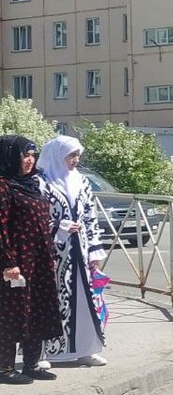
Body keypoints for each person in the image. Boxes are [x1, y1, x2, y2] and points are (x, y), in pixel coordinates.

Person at [38, 136, 108, 367]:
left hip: (80, 250)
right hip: (53, 253)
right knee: (53, 299)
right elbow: (35, 217)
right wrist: (59, 227)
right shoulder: (41, 182)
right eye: (71, 155)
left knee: (85, 299)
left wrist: (95, 251)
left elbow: (90, 216)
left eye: (77, 155)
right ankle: (46, 352)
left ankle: (86, 349)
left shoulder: (81, 181)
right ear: (57, 155)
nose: (75, 160)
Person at [0, 136, 61, 384]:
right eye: (24, 155)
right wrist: (8, 263)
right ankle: (4, 368)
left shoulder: (31, 184)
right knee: (11, 313)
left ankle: (31, 364)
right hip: (17, 261)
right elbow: (1, 228)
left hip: (39, 260)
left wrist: (50, 255)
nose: (29, 161)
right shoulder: (4, 186)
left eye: (32, 155)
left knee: (36, 309)